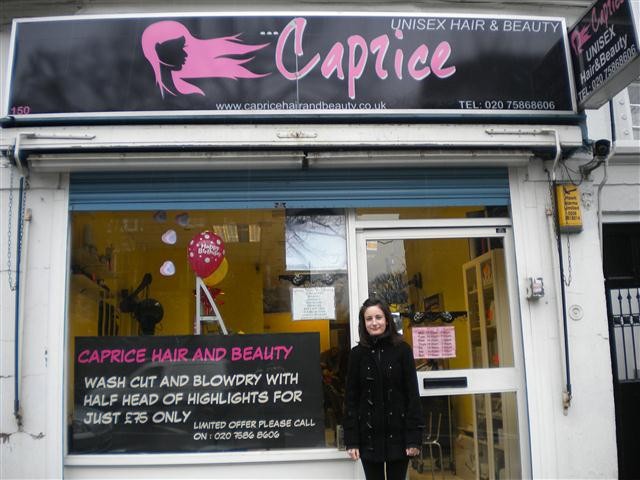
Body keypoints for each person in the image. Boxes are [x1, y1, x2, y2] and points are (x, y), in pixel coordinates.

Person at [344, 297, 424, 480]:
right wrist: (352, 440)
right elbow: (351, 399)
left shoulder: (403, 350)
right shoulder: (357, 354)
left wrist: (413, 438)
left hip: (399, 436)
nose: (374, 323)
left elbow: (413, 396)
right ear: (363, 323)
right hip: (368, 438)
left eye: (378, 317)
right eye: (369, 319)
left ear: (387, 319)